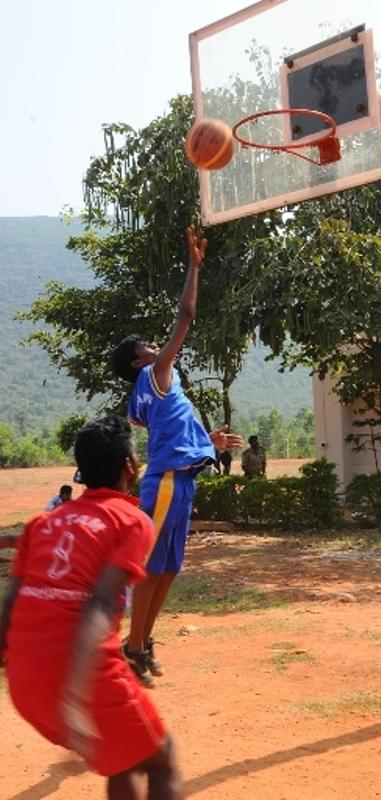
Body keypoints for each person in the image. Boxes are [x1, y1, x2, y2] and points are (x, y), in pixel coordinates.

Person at [0, 415, 183, 800]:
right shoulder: (132, 521)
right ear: (129, 467)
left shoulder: (42, 523)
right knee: (161, 759)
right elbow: (99, 603)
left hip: (25, 681)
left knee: (122, 759)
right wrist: (76, 694)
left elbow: (13, 601)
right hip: (81, 676)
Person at [110, 226, 243, 687]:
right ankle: (131, 648)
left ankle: (142, 644)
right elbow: (186, 314)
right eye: (146, 346)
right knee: (151, 568)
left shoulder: (142, 398)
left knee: (166, 569)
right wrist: (194, 266)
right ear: (137, 361)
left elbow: (169, 431)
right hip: (166, 481)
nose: (155, 346)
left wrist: (209, 442)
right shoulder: (157, 372)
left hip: (178, 477)